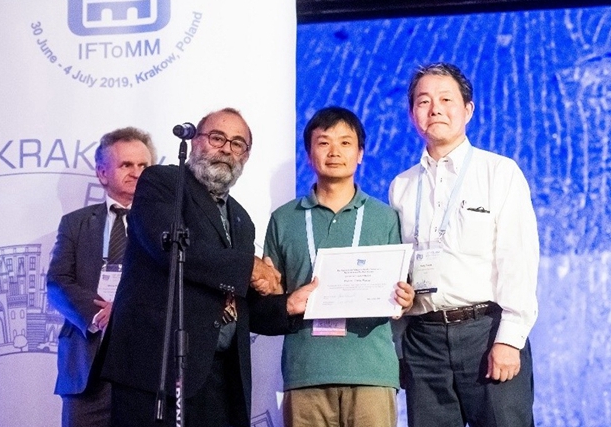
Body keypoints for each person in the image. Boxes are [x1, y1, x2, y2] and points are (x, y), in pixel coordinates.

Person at [100, 107, 283, 427]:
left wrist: (289, 304)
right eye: (217, 138)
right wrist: (250, 268)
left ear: (246, 156)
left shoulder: (242, 219)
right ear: (196, 141)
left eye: (237, 143)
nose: (226, 149)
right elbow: (173, 250)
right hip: (156, 374)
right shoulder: (163, 183)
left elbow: (239, 301)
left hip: (220, 378)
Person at [389, 62, 539, 427]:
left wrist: (510, 339)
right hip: (422, 341)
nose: (435, 109)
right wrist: (399, 345)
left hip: (485, 333)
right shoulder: (401, 186)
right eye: (423, 101)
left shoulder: (499, 172)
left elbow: (517, 260)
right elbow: (399, 268)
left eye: (446, 99)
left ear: (468, 110)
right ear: (412, 114)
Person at [253, 106, 415, 427]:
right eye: (324, 142)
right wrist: (275, 293)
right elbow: (271, 298)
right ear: (309, 155)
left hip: (371, 372)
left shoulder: (386, 217)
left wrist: (405, 299)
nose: (334, 152)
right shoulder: (284, 219)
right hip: (306, 372)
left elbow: (401, 289)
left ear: (360, 154)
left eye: (345, 142)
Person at [47, 126, 157, 427]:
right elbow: (58, 281)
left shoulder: (165, 227)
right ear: (102, 173)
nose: (136, 173)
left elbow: (170, 285)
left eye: (143, 165)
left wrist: (124, 309)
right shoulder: (74, 223)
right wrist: (99, 314)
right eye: (126, 165)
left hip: (143, 372)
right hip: (86, 370)